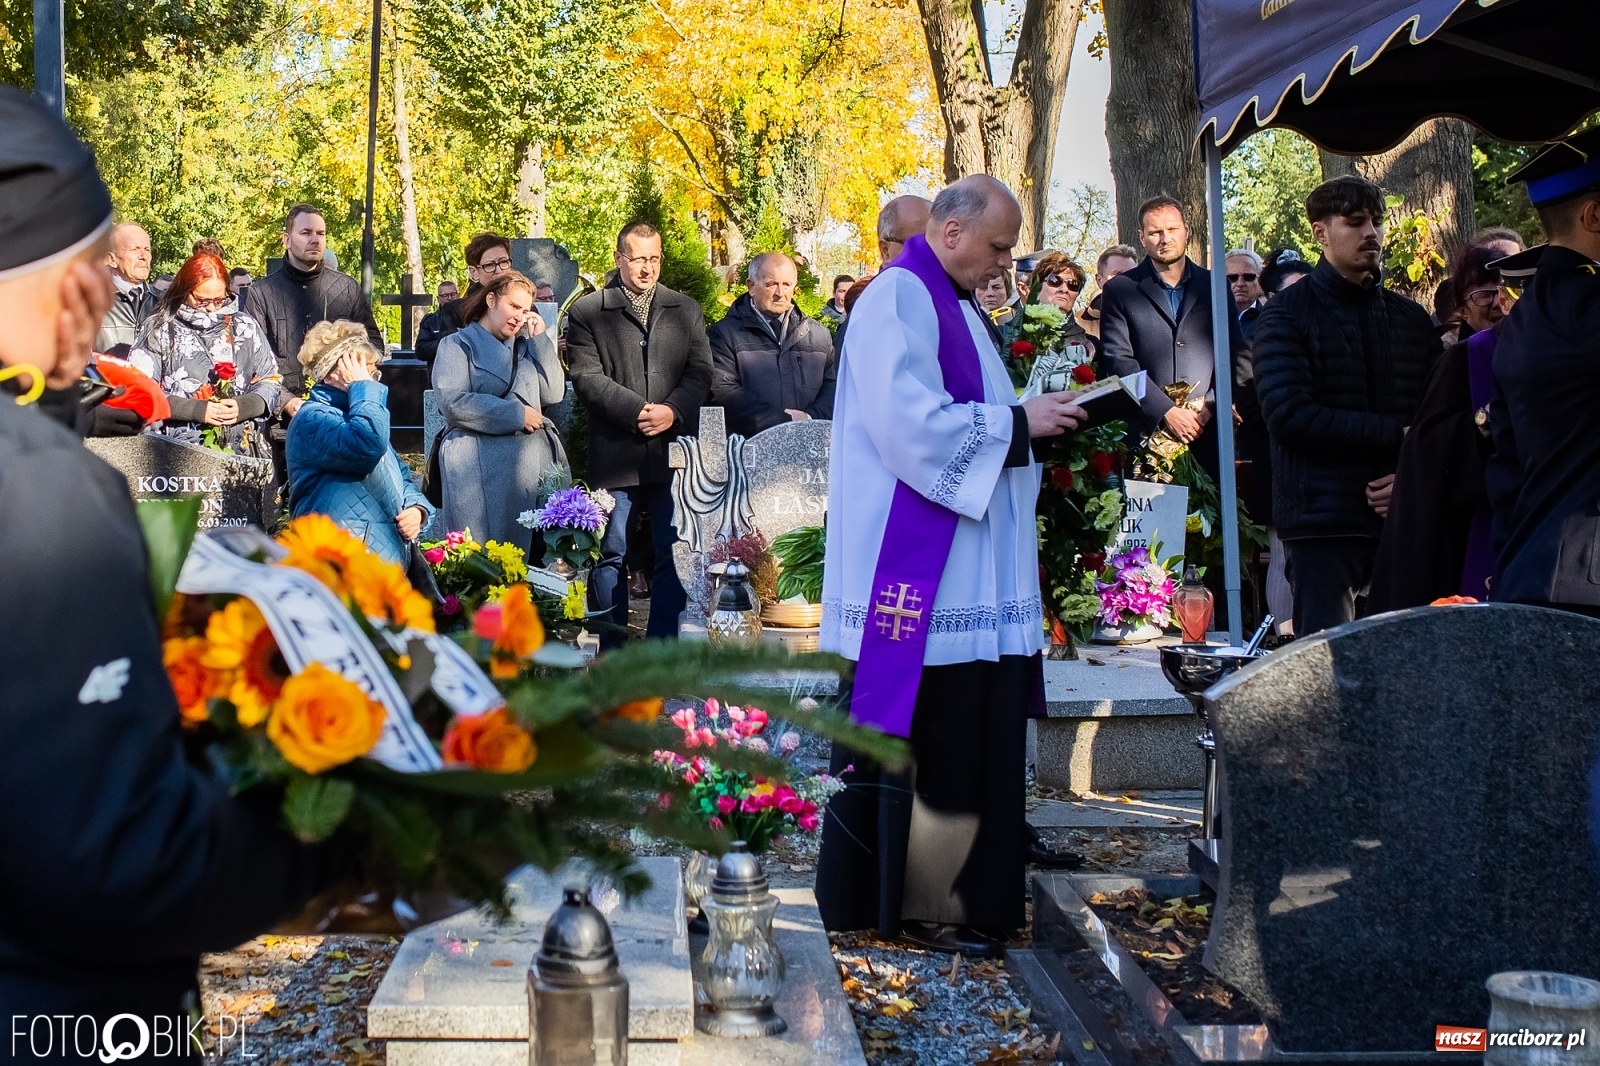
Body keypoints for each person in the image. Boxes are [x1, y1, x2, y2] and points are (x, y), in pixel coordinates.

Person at [0, 83, 324, 1030]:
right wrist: (336, 808)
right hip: (63, 1018)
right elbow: (116, 859)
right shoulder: (42, 496)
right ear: (78, 286)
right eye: (101, 260)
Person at [815, 176, 1089, 958]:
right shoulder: (897, 298)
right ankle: (934, 905)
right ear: (951, 230)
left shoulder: (956, 304)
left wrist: (1037, 419)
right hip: (924, 575)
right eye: (999, 246)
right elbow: (911, 422)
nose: (1005, 264)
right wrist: (1014, 423)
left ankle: (967, 897)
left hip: (968, 569)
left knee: (965, 726)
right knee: (937, 729)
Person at [1253, 176, 1439, 635]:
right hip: (1324, 522)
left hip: (1404, 516)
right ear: (1320, 233)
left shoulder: (1411, 318)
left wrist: (1411, 477)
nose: (1371, 233)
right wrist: (1395, 437)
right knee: (1331, 670)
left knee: (1411, 661)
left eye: (1376, 222)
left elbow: (1438, 417)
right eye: (1355, 223)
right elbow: (1289, 414)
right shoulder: (1286, 313)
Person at [567, 223, 710, 642]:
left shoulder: (685, 309)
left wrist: (672, 411)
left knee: (673, 551)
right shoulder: (589, 311)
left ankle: (660, 648)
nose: (646, 268)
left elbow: (701, 372)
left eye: (654, 258)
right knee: (611, 553)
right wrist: (637, 412)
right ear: (619, 259)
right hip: (616, 453)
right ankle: (612, 648)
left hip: (673, 453)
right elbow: (587, 377)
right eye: (638, 259)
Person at [1484, 129, 1600, 614]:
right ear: (1594, 215)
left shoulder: (1525, 316)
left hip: (1531, 568)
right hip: (1587, 580)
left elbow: (1505, 467)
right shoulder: (1588, 306)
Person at [1369, 242, 1517, 612]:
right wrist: (1486, 420)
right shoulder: (1462, 361)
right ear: (1462, 307)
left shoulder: (1545, 351)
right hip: (1471, 533)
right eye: (1484, 293)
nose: (1498, 303)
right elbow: (1430, 451)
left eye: (1508, 289)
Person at [1099, 196, 1245, 481]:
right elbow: (1119, 361)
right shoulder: (1121, 290)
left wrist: (1211, 405)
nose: (1164, 238)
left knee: (1208, 524)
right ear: (1142, 237)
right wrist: (1165, 410)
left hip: (1207, 433)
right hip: (1145, 432)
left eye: (1172, 229)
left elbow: (1235, 353)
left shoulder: (1215, 286)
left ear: (1186, 230)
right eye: (1155, 232)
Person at [432, 272, 566, 554]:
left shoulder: (527, 347)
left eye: (526, 310)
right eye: (514, 306)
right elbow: (453, 402)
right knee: (485, 566)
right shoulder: (457, 345)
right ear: (491, 299)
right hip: (478, 468)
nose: (520, 316)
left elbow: (553, 393)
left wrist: (541, 339)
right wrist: (515, 414)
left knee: (536, 567)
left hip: (533, 469)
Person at [287, 320, 434, 565]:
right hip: (340, 560)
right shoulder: (312, 419)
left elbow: (400, 474)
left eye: (373, 373)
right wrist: (362, 387)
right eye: (367, 371)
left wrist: (417, 510)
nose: (375, 380)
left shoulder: (363, 412)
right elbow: (367, 446)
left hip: (380, 559)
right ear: (335, 372)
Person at [244, 204, 384, 452]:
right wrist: (286, 401)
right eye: (306, 232)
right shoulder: (262, 293)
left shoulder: (346, 288)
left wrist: (347, 376)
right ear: (287, 239)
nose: (315, 240)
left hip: (341, 415)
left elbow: (372, 343)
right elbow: (252, 359)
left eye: (320, 233)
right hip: (284, 425)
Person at [128, 251, 282, 458]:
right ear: (184, 290)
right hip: (175, 456)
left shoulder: (245, 326)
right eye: (201, 301)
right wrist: (196, 410)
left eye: (219, 300)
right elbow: (137, 391)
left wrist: (245, 406)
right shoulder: (159, 329)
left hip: (240, 453)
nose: (210, 308)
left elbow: (270, 378)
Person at [708, 252, 837, 437]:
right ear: (751, 286)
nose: (780, 293)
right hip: (751, 451)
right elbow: (723, 391)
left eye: (787, 284)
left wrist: (809, 419)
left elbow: (834, 387)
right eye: (771, 284)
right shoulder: (723, 335)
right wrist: (782, 423)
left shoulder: (819, 335)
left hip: (810, 446)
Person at [416, 233, 516, 362]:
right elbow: (453, 357)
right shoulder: (455, 311)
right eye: (490, 265)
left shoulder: (525, 305)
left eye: (503, 262)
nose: (499, 270)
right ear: (474, 272)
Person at [94, 221, 155, 352]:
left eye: (147, 249)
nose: (143, 256)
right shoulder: (94, 302)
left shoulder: (163, 303)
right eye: (135, 249)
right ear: (111, 259)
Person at [1024, 251, 1096, 356]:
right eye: (1055, 280)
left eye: (1073, 284)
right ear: (1037, 287)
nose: (1064, 289)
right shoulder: (1009, 332)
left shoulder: (1091, 346)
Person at [1077, 244, 1139, 340]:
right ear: (1099, 280)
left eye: (1131, 274)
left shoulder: (1155, 318)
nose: (1126, 280)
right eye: (1117, 274)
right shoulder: (1079, 323)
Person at [1227, 249, 1266, 341]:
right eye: (1232, 278)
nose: (1240, 284)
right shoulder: (1206, 317)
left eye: (1248, 277)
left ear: (1259, 281)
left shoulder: (1270, 319)